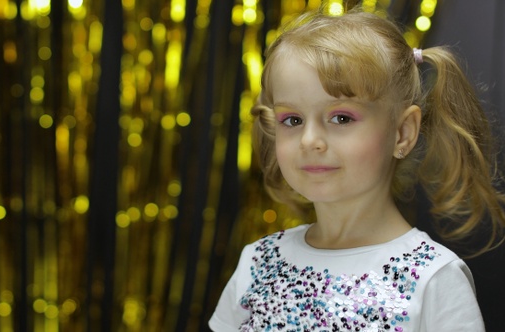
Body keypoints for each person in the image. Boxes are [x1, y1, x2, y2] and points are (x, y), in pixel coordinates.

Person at [209, 8, 505, 332]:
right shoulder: (259, 263)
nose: (310, 141)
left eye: (341, 118)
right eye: (292, 120)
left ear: (402, 132)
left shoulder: (433, 278)